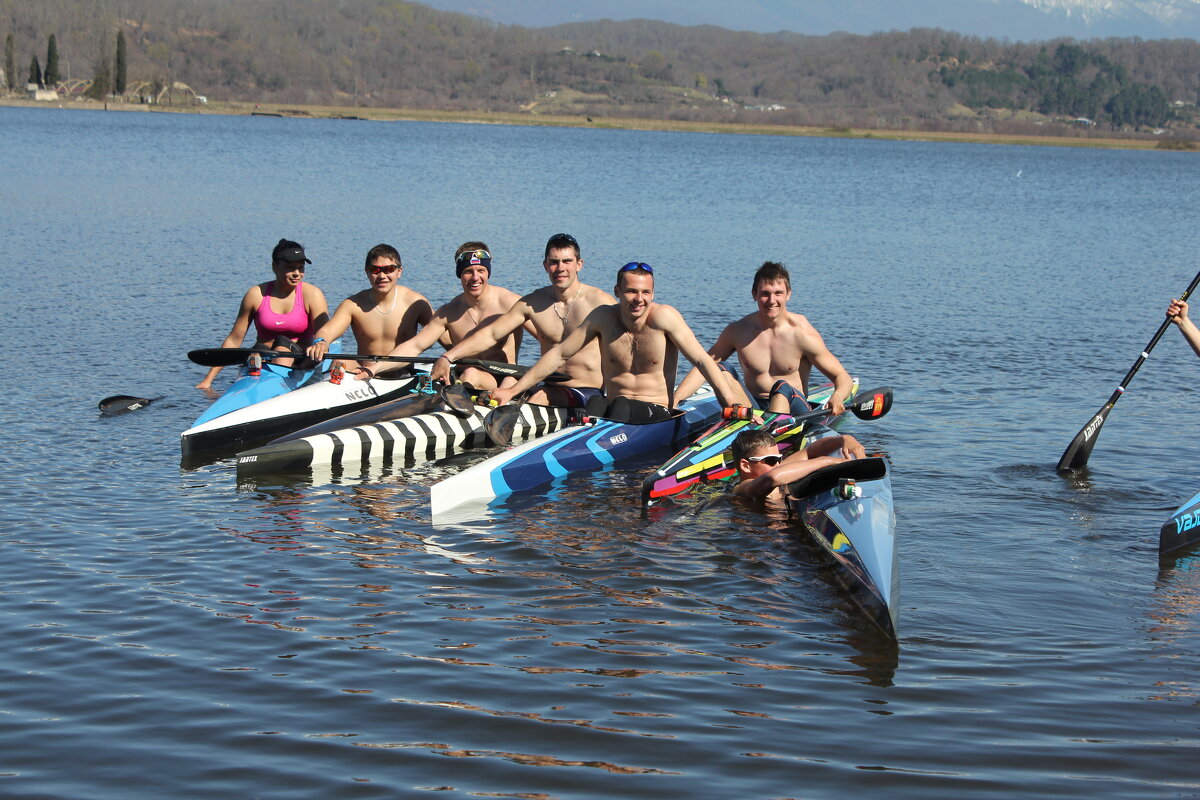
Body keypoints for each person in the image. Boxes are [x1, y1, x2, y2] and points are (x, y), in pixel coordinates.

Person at [487, 262, 746, 420]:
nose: (639, 299)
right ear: (617, 292)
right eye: (631, 291)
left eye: (645, 292)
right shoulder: (603, 317)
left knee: (615, 406)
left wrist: (729, 404)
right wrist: (512, 391)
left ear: (653, 293)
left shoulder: (665, 317)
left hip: (655, 413)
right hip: (612, 409)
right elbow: (559, 355)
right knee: (598, 403)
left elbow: (702, 359)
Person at [429, 233, 615, 406]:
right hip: (547, 386)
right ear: (545, 265)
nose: (560, 268)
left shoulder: (600, 302)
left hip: (586, 392)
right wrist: (447, 357)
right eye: (554, 262)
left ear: (579, 264)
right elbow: (491, 334)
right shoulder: (533, 303)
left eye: (567, 261)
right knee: (499, 393)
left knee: (535, 397)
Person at [675, 261, 854, 417]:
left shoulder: (802, 334)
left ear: (788, 294)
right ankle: (746, 428)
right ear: (754, 294)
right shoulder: (738, 331)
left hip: (794, 409)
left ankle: (767, 438)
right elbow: (703, 365)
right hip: (753, 408)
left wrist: (837, 397)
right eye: (765, 293)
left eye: (778, 293)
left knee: (781, 387)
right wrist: (676, 399)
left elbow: (842, 377)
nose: (771, 300)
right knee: (721, 369)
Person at [361, 242, 534, 389]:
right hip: (467, 379)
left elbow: (547, 337)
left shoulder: (511, 303)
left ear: (488, 271)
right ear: (459, 273)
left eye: (481, 270)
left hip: (505, 379)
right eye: (468, 271)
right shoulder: (449, 312)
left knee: (477, 375)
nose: (475, 277)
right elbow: (415, 346)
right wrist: (374, 369)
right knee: (469, 374)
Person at [196, 239, 330, 390]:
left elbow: (324, 333)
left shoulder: (312, 294)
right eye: (290, 268)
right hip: (264, 355)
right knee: (258, 351)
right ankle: (259, 381)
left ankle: (275, 386)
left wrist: (321, 344)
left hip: (301, 360)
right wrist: (208, 380)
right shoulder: (256, 294)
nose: (297, 274)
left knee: (282, 346)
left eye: (301, 268)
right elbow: (234, 339)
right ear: (275, 266)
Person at [304, 243, 434, 379]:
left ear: (399, 271)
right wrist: (321, 341)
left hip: (400, 374)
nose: (382, 275)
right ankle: (332, 391)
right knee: (339, 362)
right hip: (363, 372)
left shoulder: (416, 302)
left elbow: (441, 332)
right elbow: (328, 330)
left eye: (389, 269)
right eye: (375, 270)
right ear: (367, 272)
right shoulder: (353, 304)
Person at [730, 428, 865, 499]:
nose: (777, 464)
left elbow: (809, 452)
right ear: (746, 466)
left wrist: (844, 439)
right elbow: (773, 478)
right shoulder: (743, 488)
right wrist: (828, 461)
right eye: (771, 460)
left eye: (779, 458)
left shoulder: (777, 468)